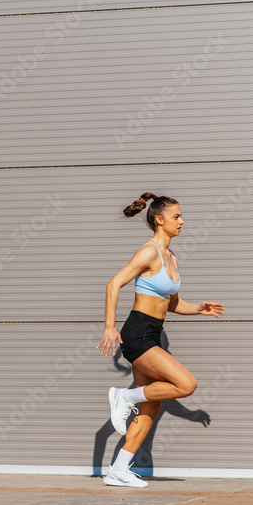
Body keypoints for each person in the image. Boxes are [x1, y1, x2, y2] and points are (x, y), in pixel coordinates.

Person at [97, 193, 224, 487]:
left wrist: (198, 309)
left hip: (152, 330)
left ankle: (118, 469)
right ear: (159, 219)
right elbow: (113, 283)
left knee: (151, 406)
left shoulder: (171, 257)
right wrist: (108, 326)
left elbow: (171, 303)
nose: (182, 221)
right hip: (138, 332)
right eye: (176, 216)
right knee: (186, 384)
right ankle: (122, 396)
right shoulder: (149, 251)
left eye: (181, 216)